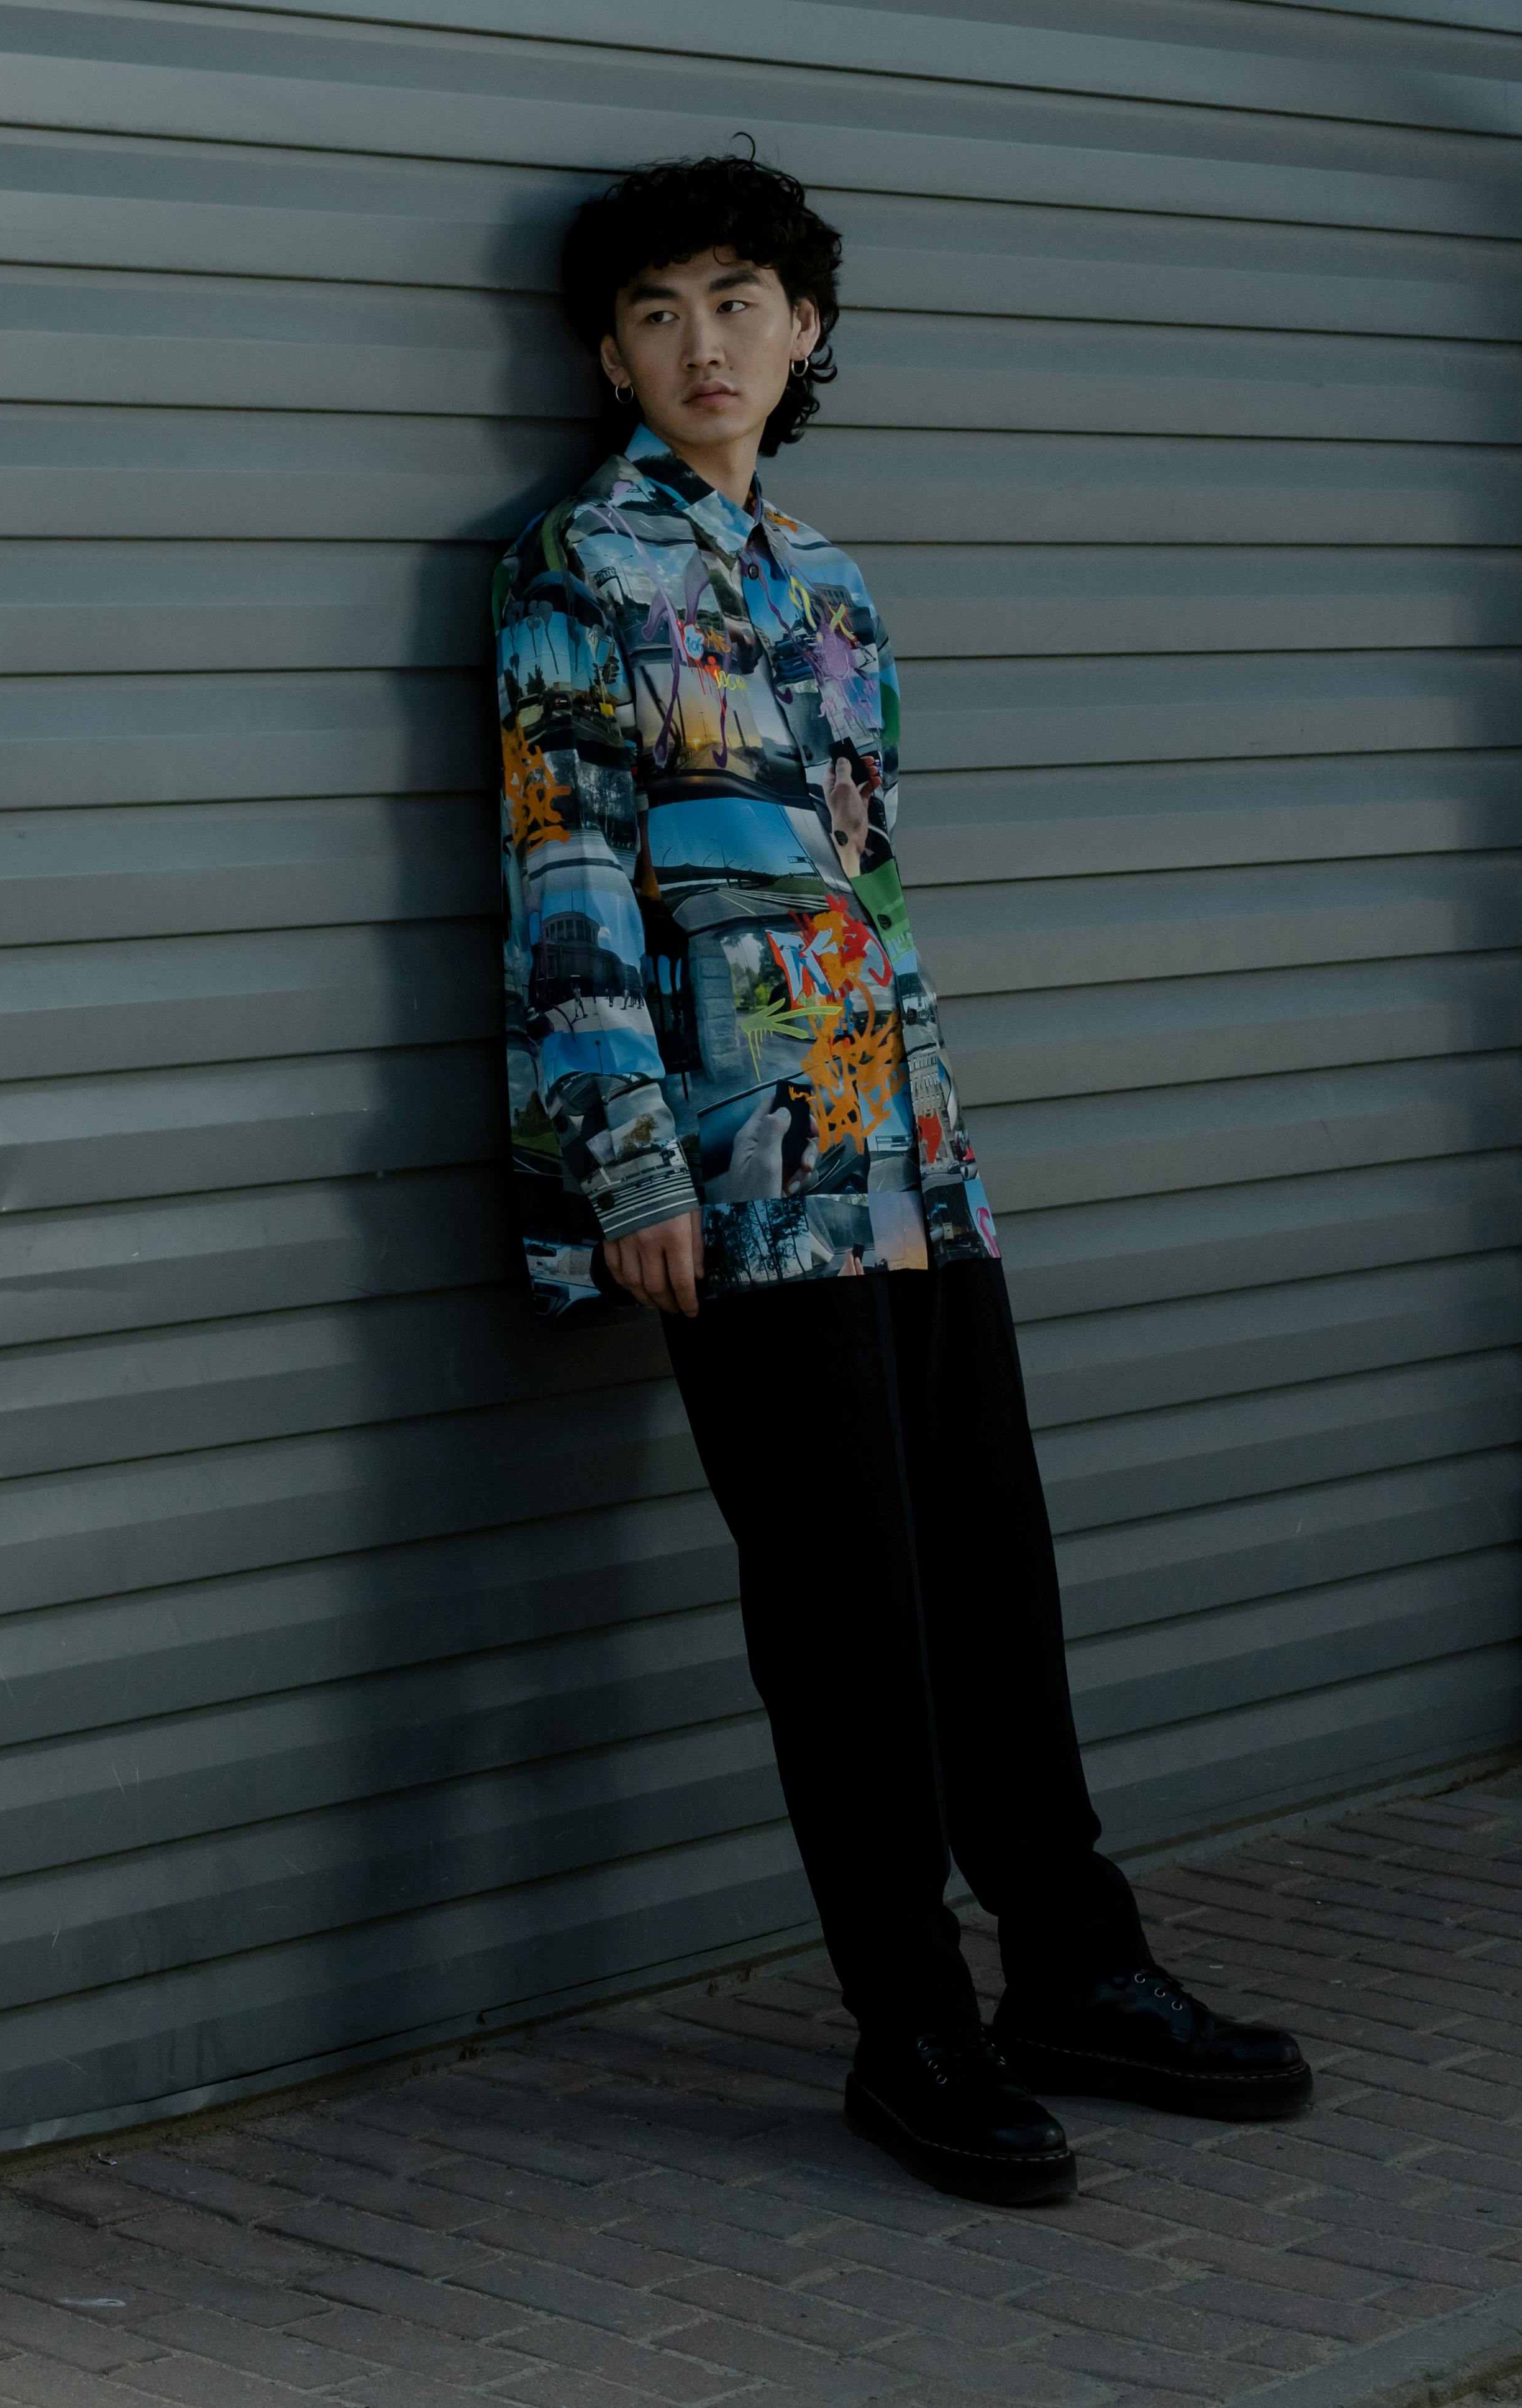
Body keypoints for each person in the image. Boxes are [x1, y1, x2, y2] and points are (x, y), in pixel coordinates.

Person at [494, 153, 1308, 2205]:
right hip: (740, 1175)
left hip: (909, 1156)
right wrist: (626, 1164)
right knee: (845, 1611)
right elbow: (566, 882)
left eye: (741, 300)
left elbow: (869, 890)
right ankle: (910, 2025)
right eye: (661, 309)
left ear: (806, 331)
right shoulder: (574, 571)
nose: (705, 343)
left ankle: (1076, 1969)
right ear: (606, 349)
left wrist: (940, 1145)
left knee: (991, 1578)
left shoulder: (832, 583)